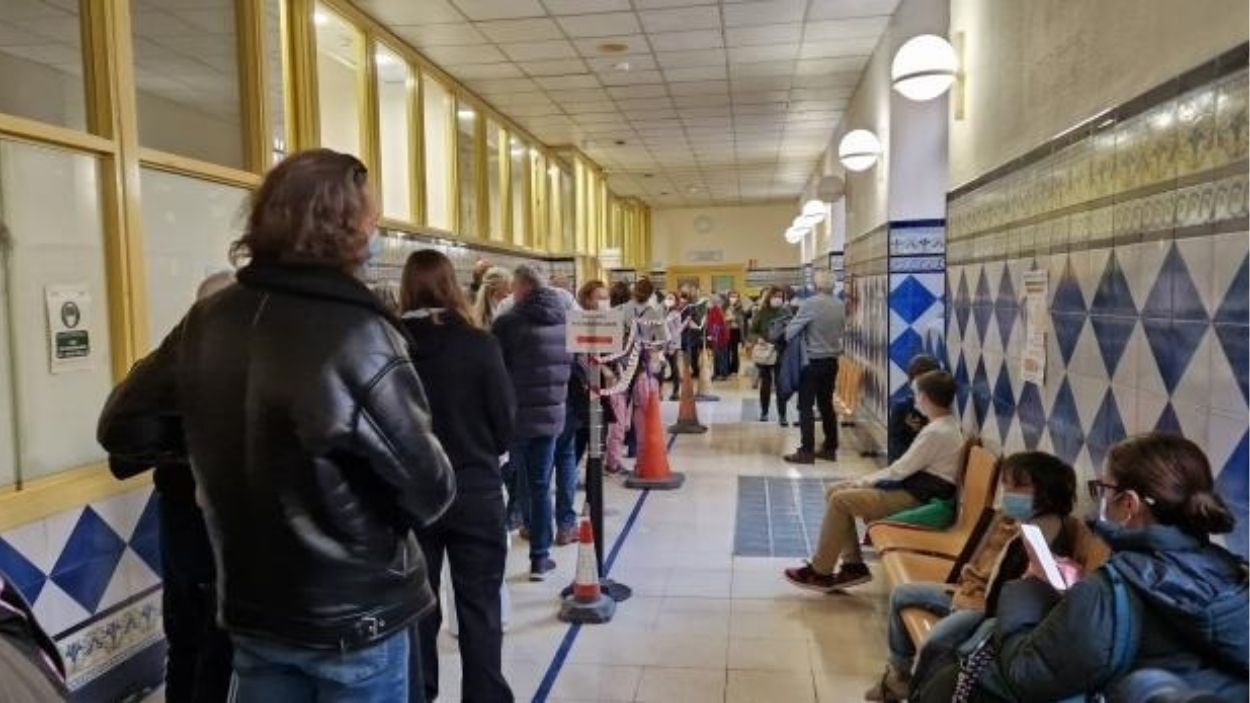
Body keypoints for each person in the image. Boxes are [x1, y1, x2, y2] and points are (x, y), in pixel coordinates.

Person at [97, 149, 456, 700]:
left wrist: (218, 442)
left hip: (254, 614)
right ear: (341, 226)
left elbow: (124, 426)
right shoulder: (359, 334)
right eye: (370, 219)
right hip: (355, 620)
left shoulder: (210, 320)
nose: (376, 229)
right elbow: (430, 491)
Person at [928, 434, 1248, 702]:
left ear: (1129, 504)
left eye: (1103, 489)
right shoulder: (1230, 573)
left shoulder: (1113, 589)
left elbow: (1026, 674)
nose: (1099, 500)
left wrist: (1032, 587)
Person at [98, 271, 235, 703]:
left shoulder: (165, 374)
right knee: (213, 644)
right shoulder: (219, 374)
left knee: (187, 639)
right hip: (203, 523)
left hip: (178, 518)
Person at [866, 452, 1082, 702]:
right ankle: (899, 675)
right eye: (1007, 485)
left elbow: (1039, 588)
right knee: (903, 594)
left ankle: (919, 691)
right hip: (976, 593)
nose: (1008, 493)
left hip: (987, 610)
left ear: (1046, 491)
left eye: (1018, 486)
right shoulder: (1017, 521)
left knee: (935, 641)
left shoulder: (1046, 530)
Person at [398, 250, 515, 703]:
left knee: (416, 611)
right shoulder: (479, 344)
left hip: (410, 496)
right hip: (475, 488)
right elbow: (505, 425)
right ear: (452, 286)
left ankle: (418, 693)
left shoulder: (389, 345)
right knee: (479, 607)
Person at [784, 370, 962, 592]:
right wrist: (861, 481)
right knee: (834, 491)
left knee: (840, 500)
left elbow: (899, 470)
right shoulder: (945, 426)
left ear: (925, 398)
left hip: (919, 498)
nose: (914, 398)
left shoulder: (936, 432)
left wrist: (861, 482)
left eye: (916, 394)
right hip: (918, 490)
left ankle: (821, 571)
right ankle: (852, 565)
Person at [492, 265, 573, 581]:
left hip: (512, 419)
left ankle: (495, 554)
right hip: (550, 418)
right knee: (540, 485)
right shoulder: (565, 321)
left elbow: (493, 370)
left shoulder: (508, 324)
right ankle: (540, 559)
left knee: (501, 482)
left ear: (522, 288)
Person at [553, 281, 612, 545]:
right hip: (577, 401)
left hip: (598, 400)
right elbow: (577, 363)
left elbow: (613, 356)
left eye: (606, 298)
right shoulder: (573, 325)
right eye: (599, 297)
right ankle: (565, 516)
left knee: (595, 453)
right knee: (571, 457)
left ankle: (591, 503)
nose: (603, 303)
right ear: (586, 298)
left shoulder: (608, 323)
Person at [783, 270, 846, 464]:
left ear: (816, 286)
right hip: (832, 361)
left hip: (811, 362)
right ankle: (830, 447)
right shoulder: (840, 304)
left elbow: (789, 332)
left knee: (805, 406)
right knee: (826, 404)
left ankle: (807, 450)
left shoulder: (810, 304)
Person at [888, 355, 942, 463]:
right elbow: (894, 447)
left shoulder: (940, 410)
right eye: (918, 383)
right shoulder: (901, 408)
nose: (923, 388)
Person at [749, 286, 789, 424]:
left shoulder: (785, 311)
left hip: (781, 351)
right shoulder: (761, 312)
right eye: (775, 296)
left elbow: (792, 328)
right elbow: (752, 331)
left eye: (780, 296)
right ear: (769, 297)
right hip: (765, 352)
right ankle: (764, 412)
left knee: (780, 385)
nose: (778, 299)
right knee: (765, 384)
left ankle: (782, 415)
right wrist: (758, 338)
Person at [707, 295, 730, 380]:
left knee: (721, 356)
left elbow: (717, 325)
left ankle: (723, 373)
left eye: (709, 301)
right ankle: (717, 373)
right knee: (717, 356)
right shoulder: (713, 310)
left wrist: (713, 336)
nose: (708, 303)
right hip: (717, 337)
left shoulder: (716, 310)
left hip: (720, 337)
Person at [726, 290, 747, 376]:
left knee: (734, 350)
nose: (733, 298)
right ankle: (727, 368)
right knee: (727, 350)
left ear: (738, 298)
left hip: (735, 330)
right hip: (727, 330)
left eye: (735, 296)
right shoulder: (726, 306)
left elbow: (742, 319)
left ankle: (734, 369)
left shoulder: (740, 307)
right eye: (731, 296)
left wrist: (734, 318)